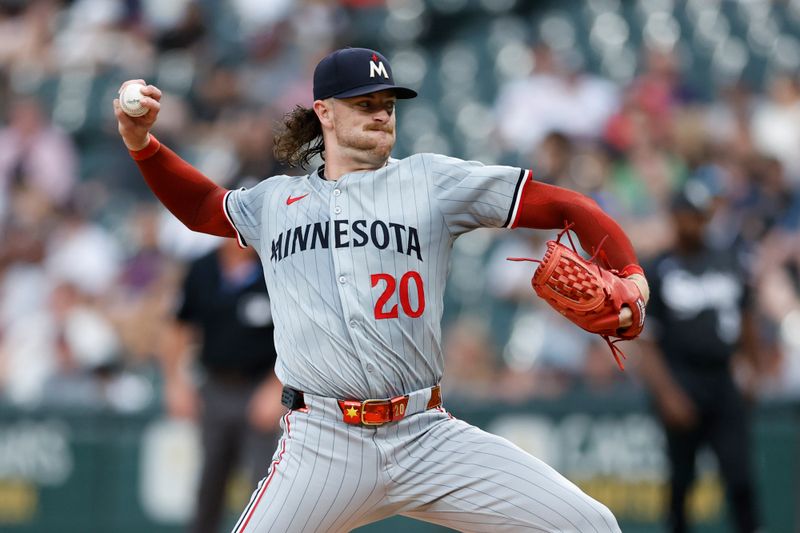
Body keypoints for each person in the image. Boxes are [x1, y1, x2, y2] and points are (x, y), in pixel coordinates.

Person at [114, 47, 649, 533]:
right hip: (323, 443)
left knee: (590, 525)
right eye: (363, 102)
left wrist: (632, 276)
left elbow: (566, 205)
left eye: (387, 103)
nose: (380, 113)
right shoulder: (275, 202)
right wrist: (143, 145)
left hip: (424, 433)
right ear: (323, 111)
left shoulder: (432, 183)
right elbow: (204, 207)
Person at [636, 181, 761, 533]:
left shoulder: (728, 260)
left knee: (740, 477)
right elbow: (646, 340)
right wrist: (667, 394)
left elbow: (747, 316)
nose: (696, 223)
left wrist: (754, 368)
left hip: (723, 378)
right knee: (682, 482)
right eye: (689, 215)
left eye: (701, 216)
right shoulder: (658, 270)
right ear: (675, 218)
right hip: (681, 378)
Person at [162, 236, 283, 533]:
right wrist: (176, 382)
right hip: (214, 387)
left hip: (261, 387)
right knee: (209, 484)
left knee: (267, 483)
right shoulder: (202, 268)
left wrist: (277, 386)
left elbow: (302, 333)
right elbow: (178, 325)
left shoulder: (276, 265)